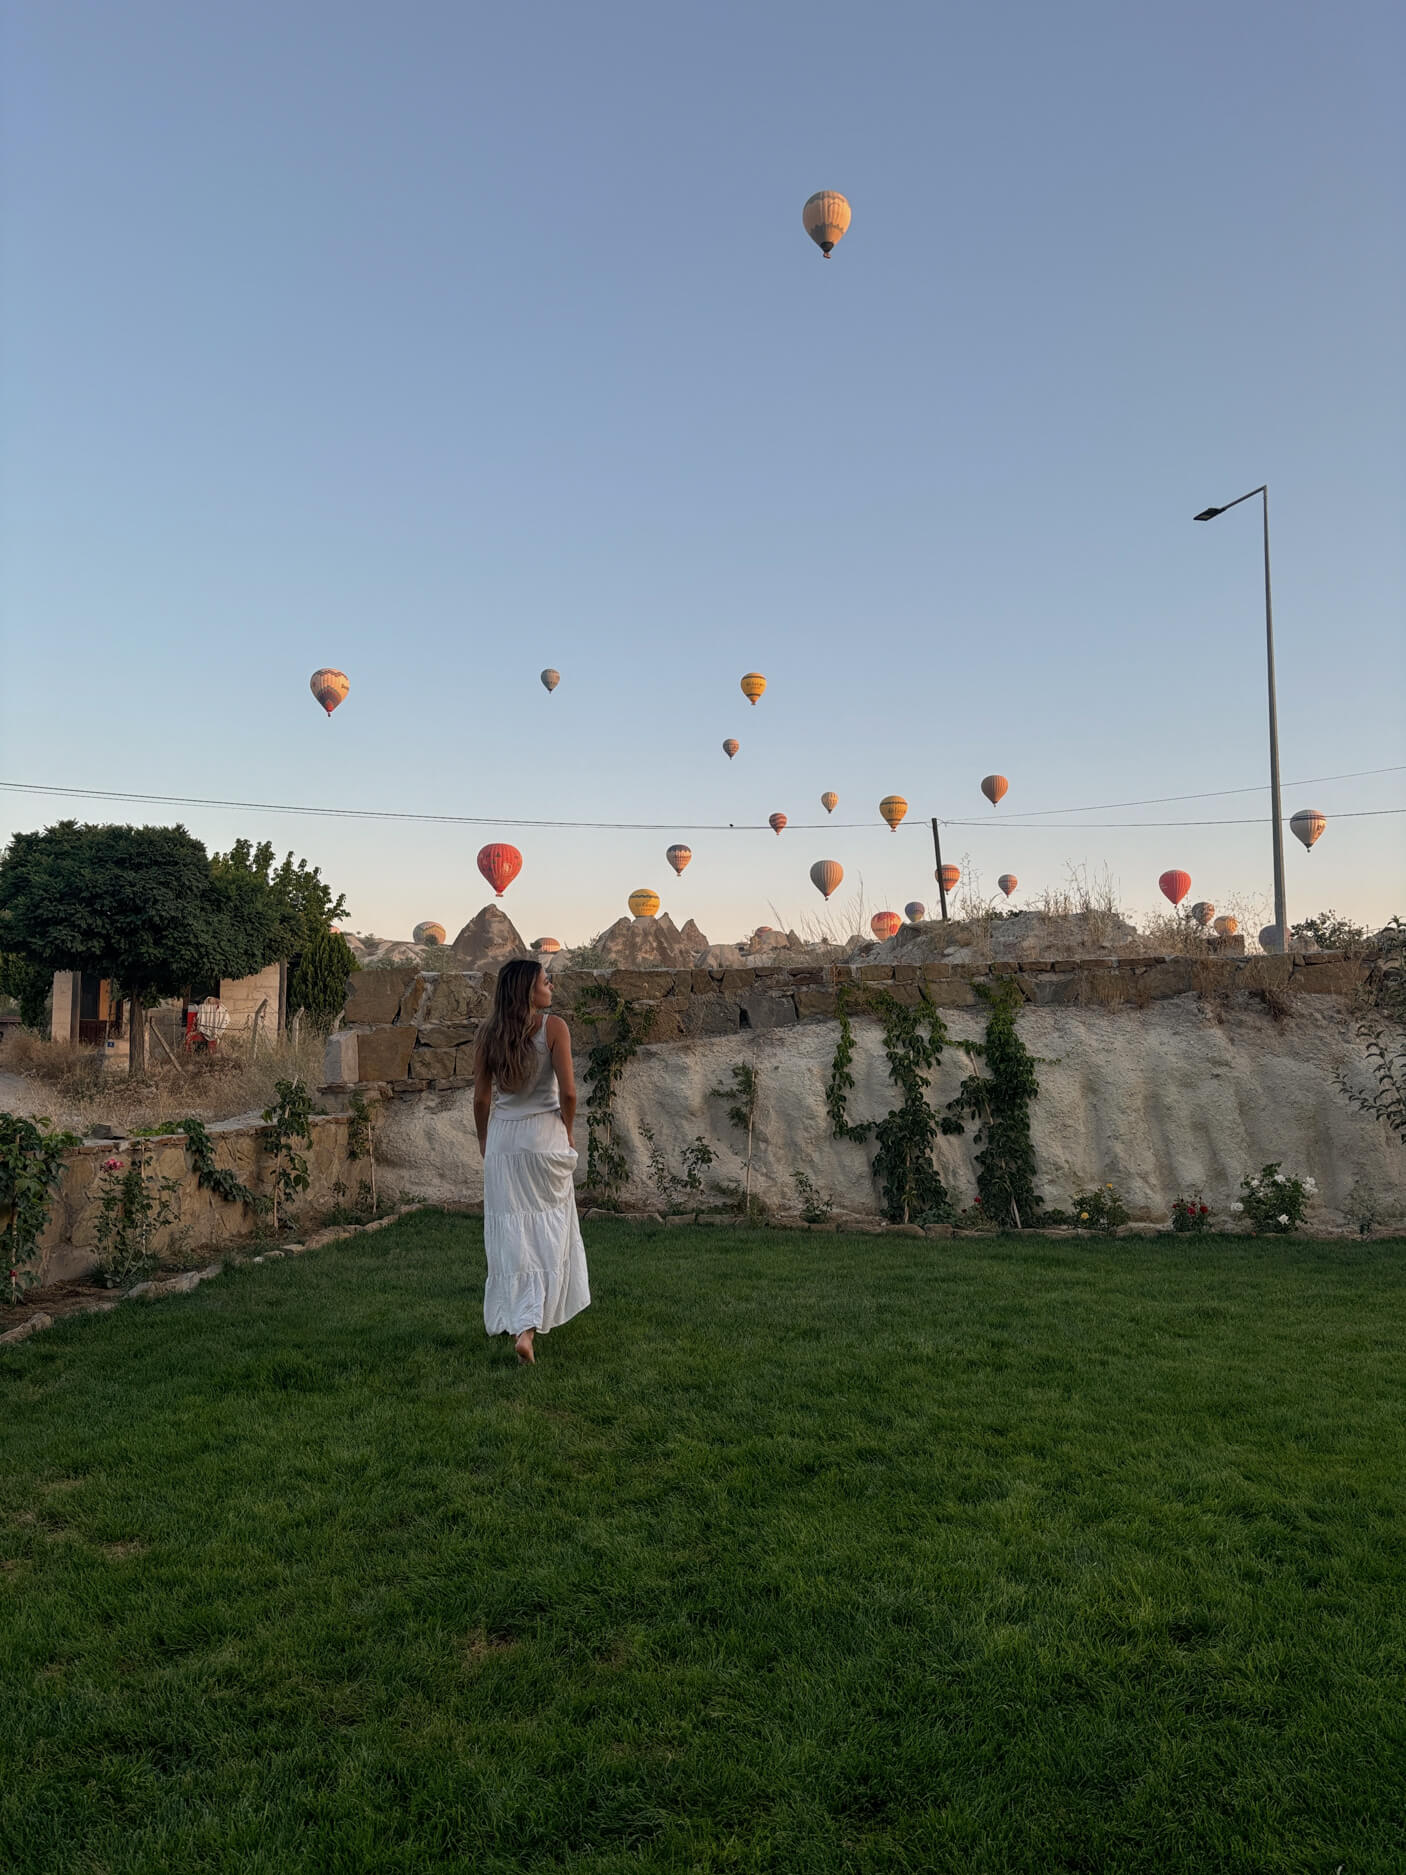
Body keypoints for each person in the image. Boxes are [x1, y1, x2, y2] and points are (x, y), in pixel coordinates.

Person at [472, 957, 588, 1364]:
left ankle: (521, 1324)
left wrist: (486, 1139)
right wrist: (569, 1130)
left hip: (505, 1139)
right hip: (544, 1135)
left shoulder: (488, 1034)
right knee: (549, 1232)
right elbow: (570, 1093)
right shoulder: (554, 1028)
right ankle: (528, 1327)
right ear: (528, 989)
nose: (550, 985)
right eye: (544, 980)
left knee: (512, 1235)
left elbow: (482, 1098)